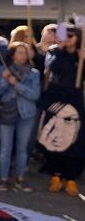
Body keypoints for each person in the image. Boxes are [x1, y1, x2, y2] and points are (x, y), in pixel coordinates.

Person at [41, 24, 85, 196]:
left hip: (74, 98)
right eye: (65, 35)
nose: (67, 38)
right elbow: (53, 68)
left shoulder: (81, 54)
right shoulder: (54, 51)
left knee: (74, 139)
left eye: (71, 36)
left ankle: (71, 177)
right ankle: (55, 175)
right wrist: (59, 48)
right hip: (55, 97)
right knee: (52, 137)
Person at [0, 41, 41, 192]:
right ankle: (3, 179)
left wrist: (16, 84)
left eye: (25, 52)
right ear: (12, 54)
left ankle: (20, 178)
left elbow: (34, 95)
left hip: (26, 114)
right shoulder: (3, 69)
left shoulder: (34, 73)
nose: (23, 55)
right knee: (5, 148)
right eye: (19, 52)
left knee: (22, 148)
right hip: (7, 111)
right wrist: (4, 79)